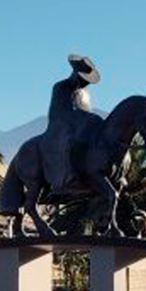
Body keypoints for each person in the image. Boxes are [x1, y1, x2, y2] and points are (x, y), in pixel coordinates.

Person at [41, 55, 103, 195]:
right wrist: (85, 117)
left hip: (81, 128)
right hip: (62, 129)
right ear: (75, 74)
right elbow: (59, 113)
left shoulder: (85, 93)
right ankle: (69, 179)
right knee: (72, 144)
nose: (86, 83)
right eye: (84, 80)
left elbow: (87, 111)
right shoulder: (60, 87)